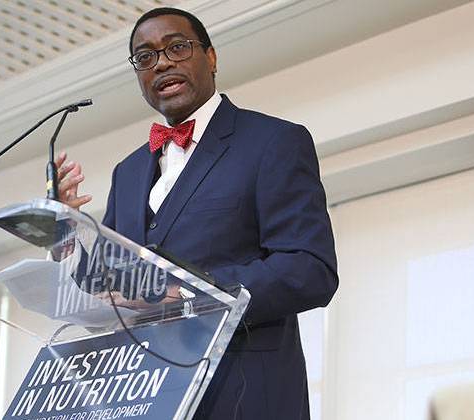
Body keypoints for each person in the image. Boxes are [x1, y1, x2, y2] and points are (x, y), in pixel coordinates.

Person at [55, 7, 338, 420]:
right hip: (149, 397)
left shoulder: (274, 141)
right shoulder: (128, 171)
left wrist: (186, 294)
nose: (163, 62)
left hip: (246, 396)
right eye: (145, 57)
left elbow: (310, 270)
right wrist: (69, 232)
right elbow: (110, 286)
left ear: (211, 57)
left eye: (177, 47)